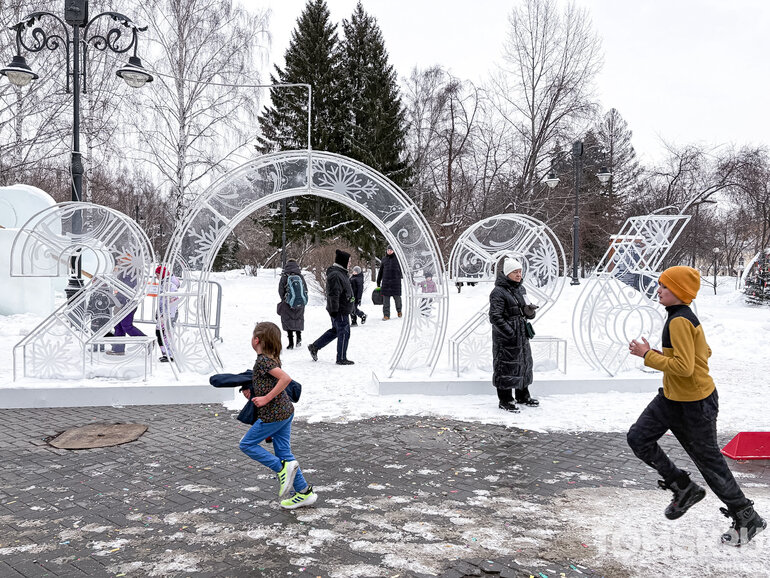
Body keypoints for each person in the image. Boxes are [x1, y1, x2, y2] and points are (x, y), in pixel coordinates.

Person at [627, 266, 766, 546]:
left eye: (665, 286)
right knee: (638, 437)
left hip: (695, 404)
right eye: (660, 285)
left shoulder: (680, 320)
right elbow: (704, 352)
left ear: (679, 291)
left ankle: (746, 516)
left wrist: (648, 355)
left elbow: (685, 367)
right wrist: (662, 354)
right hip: (671, 399)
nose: (659, 290)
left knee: (709, 463)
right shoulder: (682, 317)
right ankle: (683, 487)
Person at [239, 321, 317, 509]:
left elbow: (285, 379)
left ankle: (281, 468)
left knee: (246, 444)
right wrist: (253, 391)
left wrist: (266, 398)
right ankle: (304, 492)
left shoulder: (263, 361)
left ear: (256, 340)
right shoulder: (270, 359)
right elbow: (269, 382)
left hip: (273, 415)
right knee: (284, 453)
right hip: (285, 412)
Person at [488, 257, 539, 412]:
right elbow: (495, 316)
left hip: (521, 335)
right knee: (505, 367)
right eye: (515, 272)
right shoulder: (498, 292)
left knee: (523, 364)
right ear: (507, 273)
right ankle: (505, 400)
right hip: (506, 338)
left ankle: (523, 396)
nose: (518, 275)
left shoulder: (521, 289)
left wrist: (529, 312)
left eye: (520, 271)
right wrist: (510, 332)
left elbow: (525, 311)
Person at [307, 249, 355, 365]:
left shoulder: (341, 273)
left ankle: (315, 346)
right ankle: (341, 358)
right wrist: (334, 310)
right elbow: (334, 294)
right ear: (343, 261)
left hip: (342, 308)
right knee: (344, 332)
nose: (350, 263)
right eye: (349, 261)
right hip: (339, 309)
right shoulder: (336, 275)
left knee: (336, 331)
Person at [107, 265, 145, 356]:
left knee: (126, 325)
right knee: (119, 326)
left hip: (127, 304)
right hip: (123, 303)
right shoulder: (125, 273)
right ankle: (118, 349)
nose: (118, 263)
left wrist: (119, 301)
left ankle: (145, 340)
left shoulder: (129, 274)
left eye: (120, 261)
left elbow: (125, 290)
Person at [278, 259, 308, 349]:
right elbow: (305, 289)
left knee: (288, 320)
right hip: (300, 302)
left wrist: (285, 299)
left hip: (287, 302)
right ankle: (299, 339)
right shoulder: (300, 276)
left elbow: (280, 290)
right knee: (298, 319)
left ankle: (290, 343)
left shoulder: (284, 276)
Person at [155, 265, 180, 362]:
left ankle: (170, 354)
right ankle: (167, 354)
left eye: (157, 275)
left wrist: (167, 315)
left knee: (165, 334)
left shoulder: (169, 285)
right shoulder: (164, 283)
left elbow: (173, 302)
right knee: (161, 333)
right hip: (164, 314)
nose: (156, 277)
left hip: (168, 315)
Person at [377, 246, 402, 320]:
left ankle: (399, 311)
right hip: (386, 283)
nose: (389, 251)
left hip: (395, 283)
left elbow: (402, 270)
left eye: (391, 250)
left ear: (393, 251)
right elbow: (381, 271)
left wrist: (399, 276)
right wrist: (378, 281)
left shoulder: (398, 259)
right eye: (388, 250)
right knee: (386, 301)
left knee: (397, 299)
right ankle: (386, 315)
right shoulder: (384, 259)